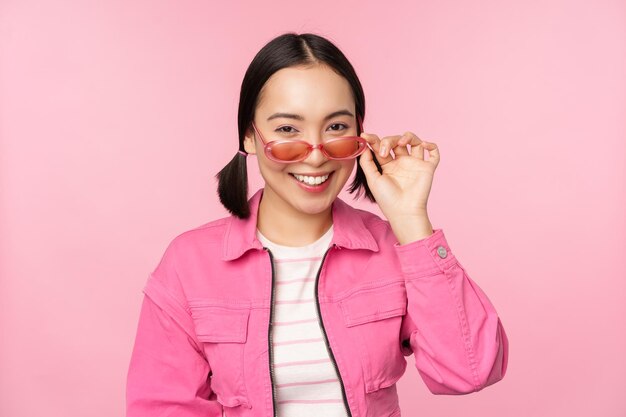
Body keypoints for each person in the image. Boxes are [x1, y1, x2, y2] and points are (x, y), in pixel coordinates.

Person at [125, 32, 509, 417]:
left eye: (337, 128)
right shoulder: (188, 264)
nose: (315, 155)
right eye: (288, 130)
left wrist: (411, 222)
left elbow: (469, 372)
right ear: (249, 135)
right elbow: (162, 408)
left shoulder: (395, 249)